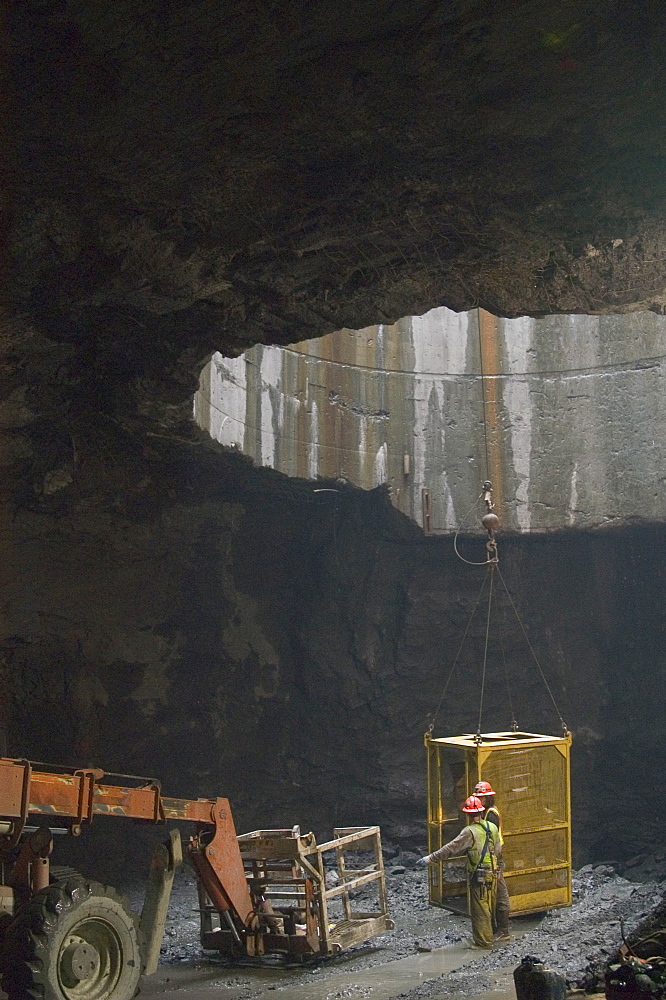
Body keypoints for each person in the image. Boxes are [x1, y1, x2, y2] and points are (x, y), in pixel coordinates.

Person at [417, 795, 500, 949]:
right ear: (481, 812)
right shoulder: (492, 827)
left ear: (468, 814)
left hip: (479, 875)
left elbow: (451, 848)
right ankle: (492, 936)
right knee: (490, 906)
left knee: (480, 910)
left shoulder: (469, 831)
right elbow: (498, 850)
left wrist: (430, 858)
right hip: (494, 873)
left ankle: (484, 943)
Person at [473, 780, 510, 942]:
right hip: (493, 859)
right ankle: (496, 928)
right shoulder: (488, 813)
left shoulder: (490, 815)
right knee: (491, 893)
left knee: (500, 893)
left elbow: (493, 841)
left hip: (495, 859)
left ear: (488, 798)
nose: (479, 801)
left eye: (481, 798)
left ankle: (503, 930)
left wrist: (494, 863)